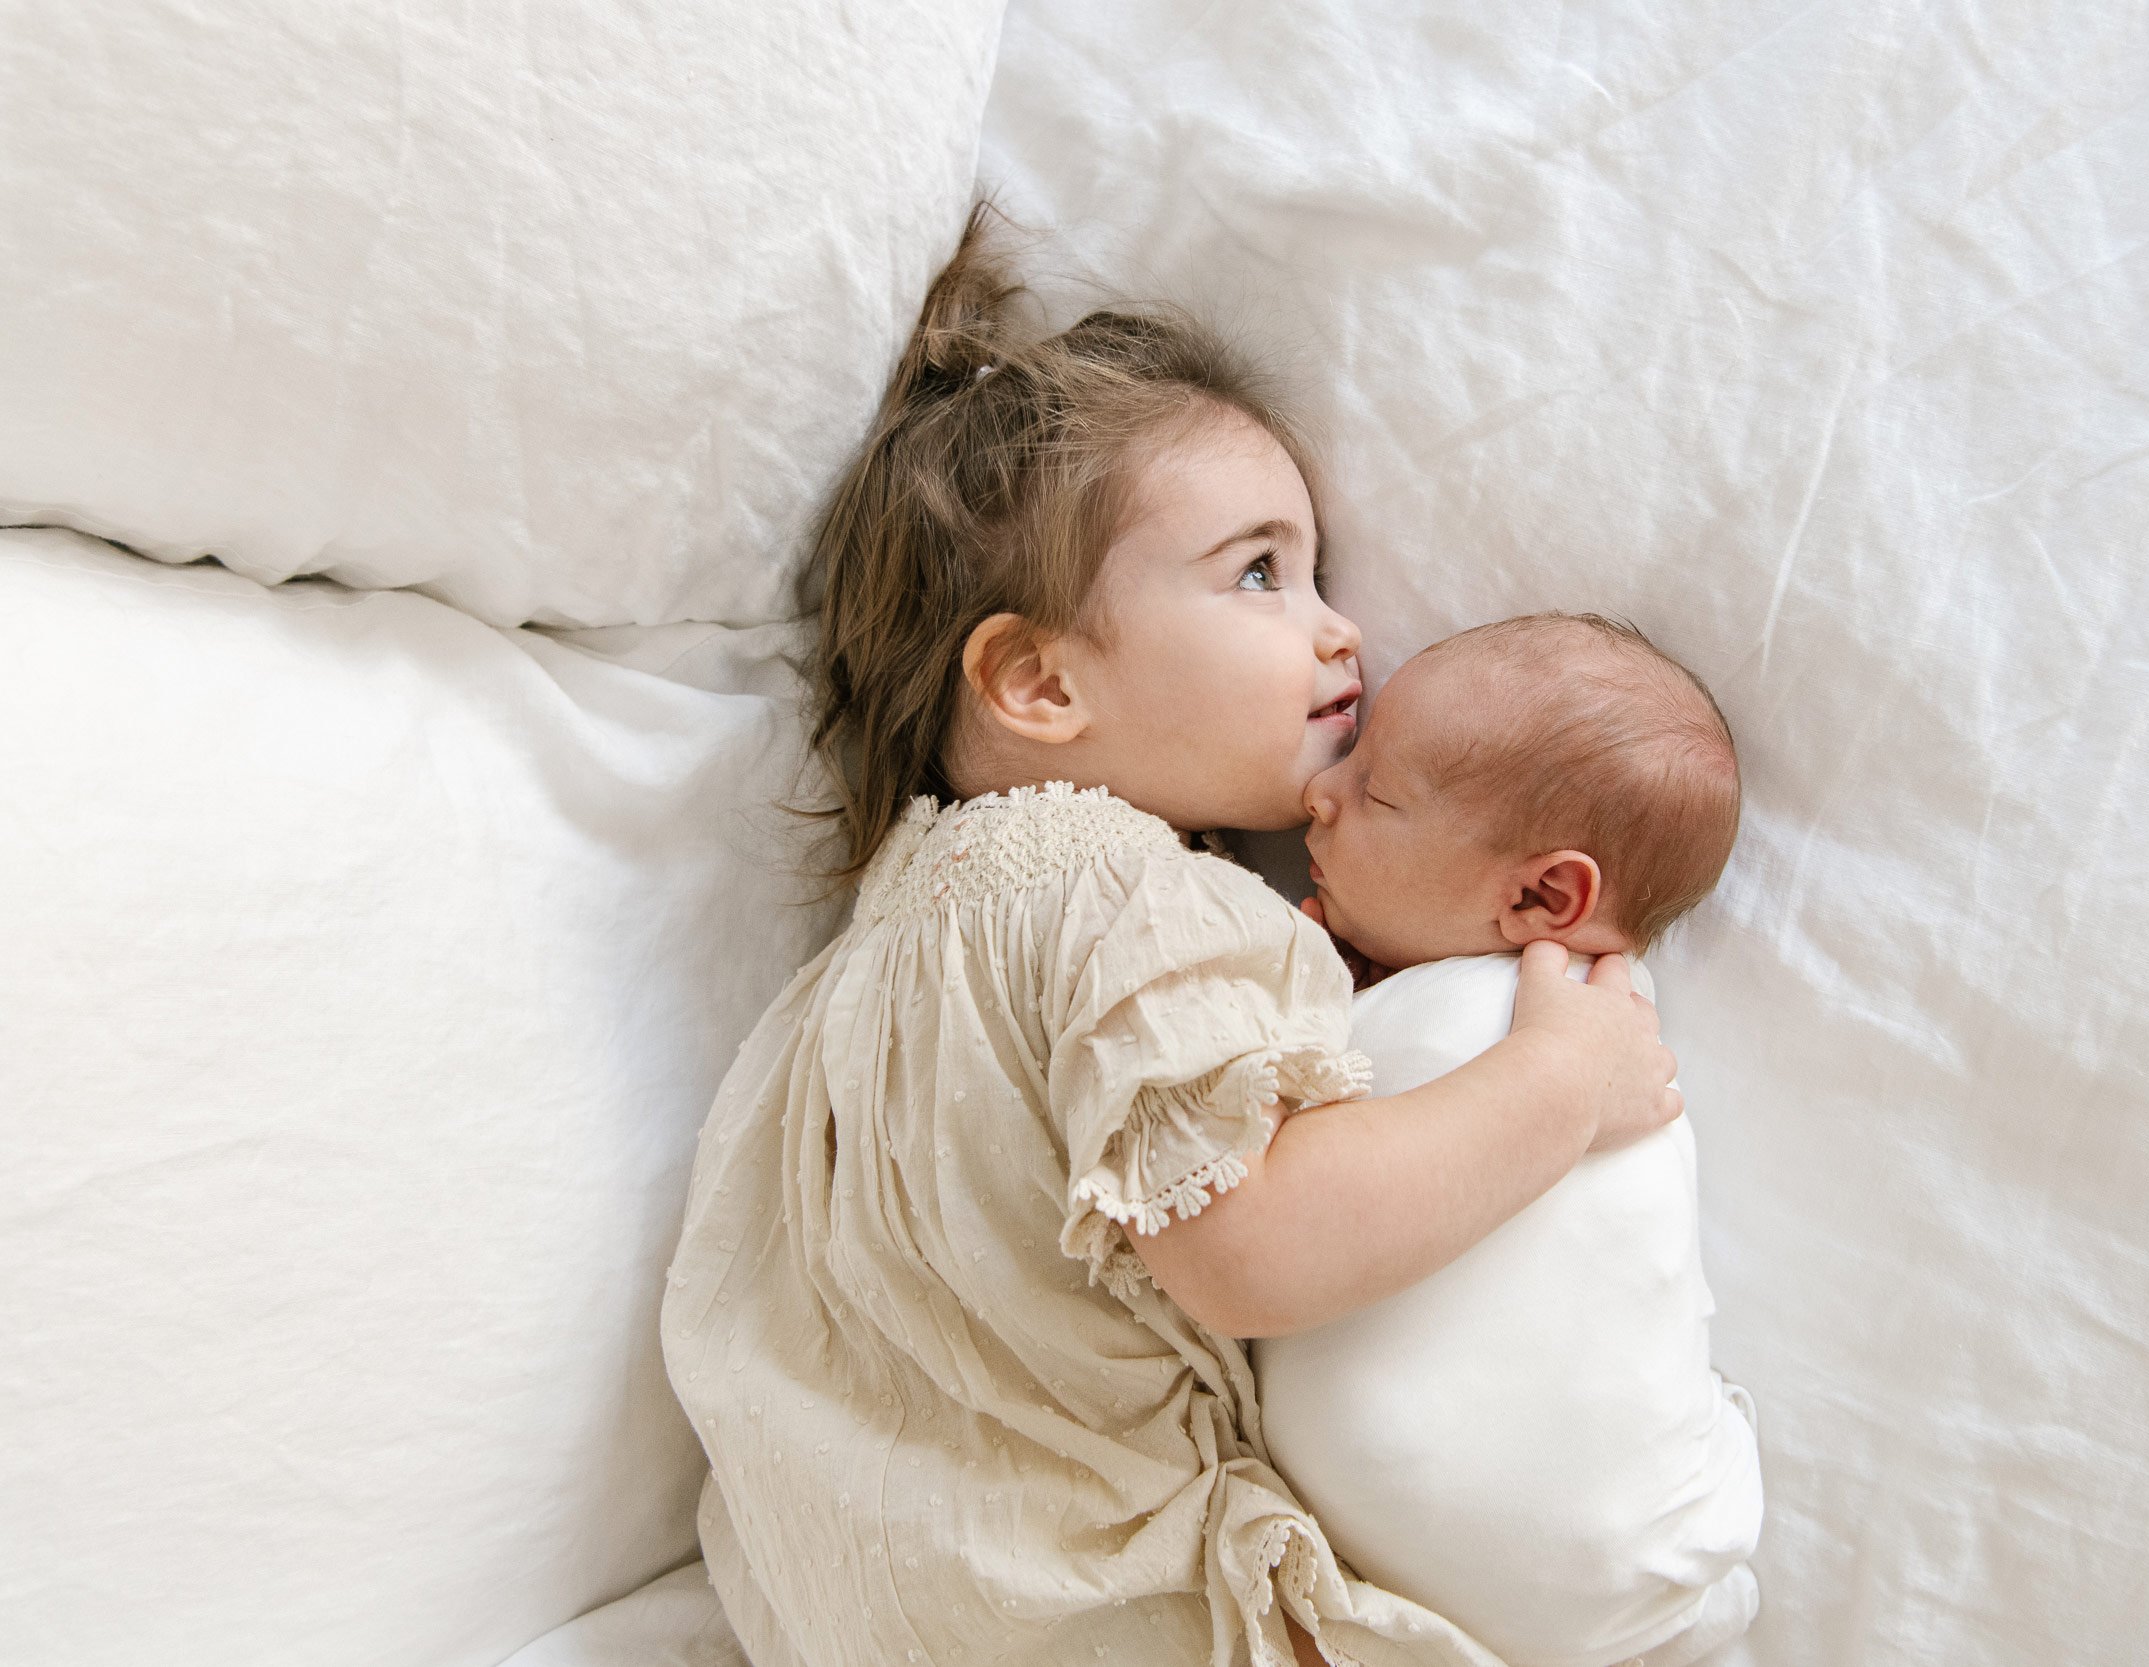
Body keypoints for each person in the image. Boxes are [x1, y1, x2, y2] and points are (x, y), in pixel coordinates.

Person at [660, 206, 1681, 1667]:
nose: (1343, 633)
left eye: (1318, 572)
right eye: (1261, 573)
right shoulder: (1128, 890)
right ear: (1036, 680)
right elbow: (1253, 1242)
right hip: (1090, 1603)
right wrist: (1561, 1083)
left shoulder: (872, 953)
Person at [1262, 614, 1764, 1667]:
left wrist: (1292, 1002)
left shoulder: (1530, 1016)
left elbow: (1260, 1178)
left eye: (1374, 790)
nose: (1319, 791)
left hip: (1413, 1589)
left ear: (1541, 897)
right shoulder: (1601, 1027)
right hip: (1648, 1573)